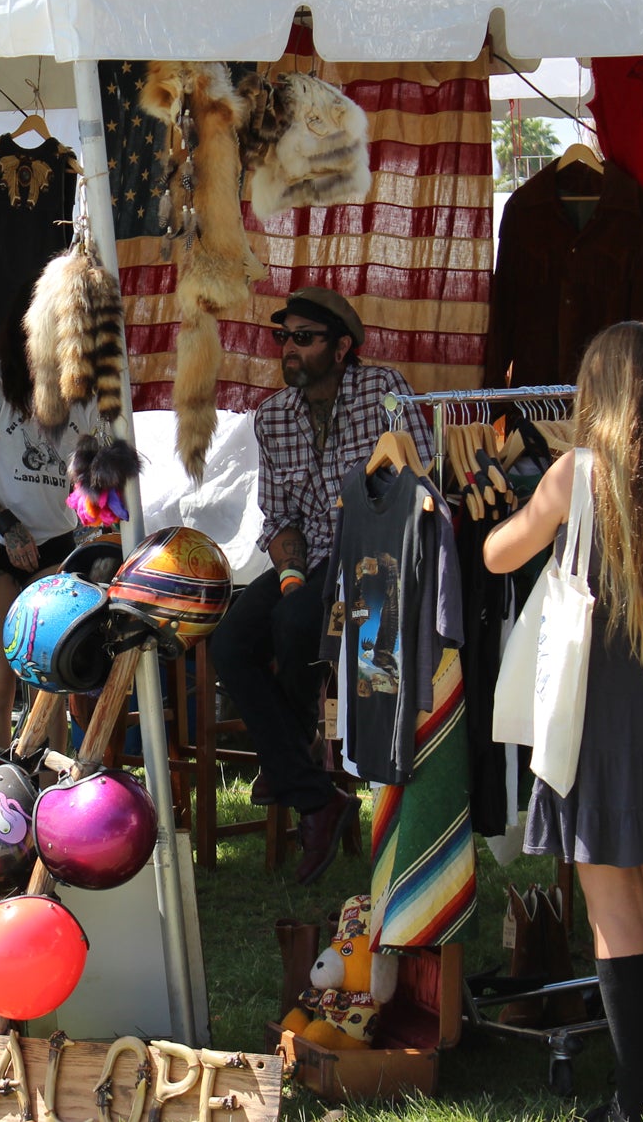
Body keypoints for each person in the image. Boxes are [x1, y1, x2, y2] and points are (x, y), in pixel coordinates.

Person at [485, 322, 643, 1122]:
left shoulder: (575, 475)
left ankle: (634, 1098)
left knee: (610, 911)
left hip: (599, 713)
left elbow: (498, 554)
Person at [212, 287, 430, 884]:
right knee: (230, 642)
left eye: (304, 339)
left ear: (341, 348)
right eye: (283, 338)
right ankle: (315, 795)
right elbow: (279, 517)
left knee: (296, 622)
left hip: (374, 560)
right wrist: (286, 574)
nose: (289, 349)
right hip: (308, 563)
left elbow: (419, 488)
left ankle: (293, 762)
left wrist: (304, 588)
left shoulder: (385, 394)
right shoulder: (273, 415)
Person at [0, 280, 101, 751]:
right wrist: (8, 526)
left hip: (54, 545)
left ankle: (46, 792)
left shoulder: (87, 395)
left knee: (50, 682)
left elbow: (90, 479)